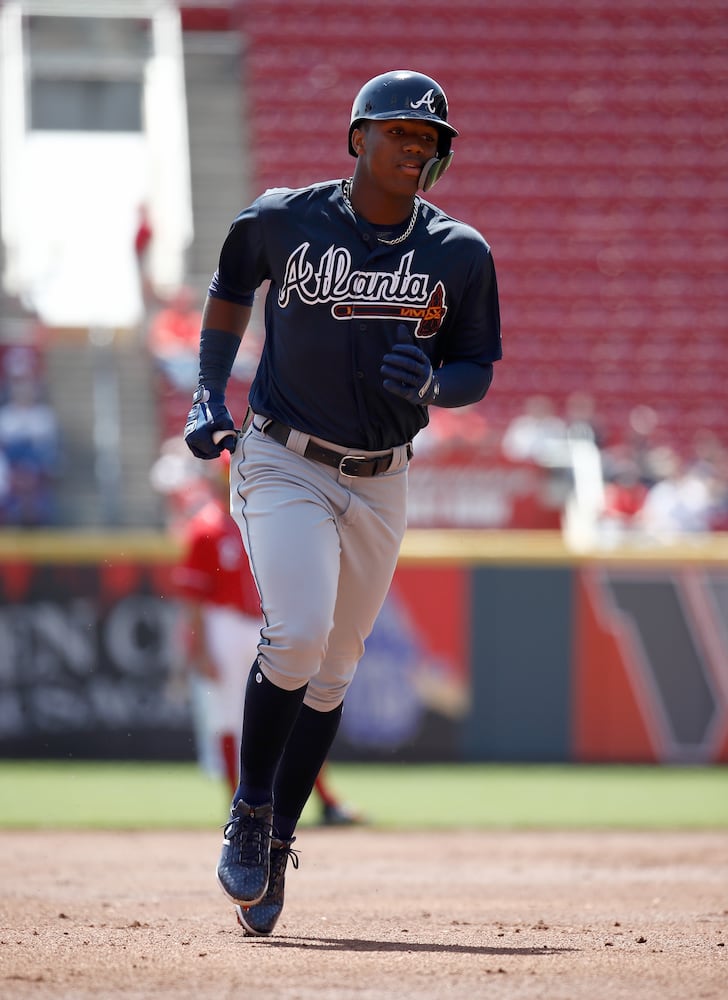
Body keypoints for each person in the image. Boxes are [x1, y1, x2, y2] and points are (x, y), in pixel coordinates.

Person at [183, 69, 502, 936]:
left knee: (336, 667)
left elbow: (478, 365)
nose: (416, 148)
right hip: (283, 457)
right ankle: (250, 811)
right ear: (358, 137)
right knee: (295, 632)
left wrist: (439, 382)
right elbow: (227, 292)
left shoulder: (459, 251)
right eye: (400, 132)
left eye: (429, 139)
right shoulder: (285, 218)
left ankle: (281, 835)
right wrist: (210, 394)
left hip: (383, 474)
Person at [172, 452, 365, 824]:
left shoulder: (265, 517)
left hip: (268, 623)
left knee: (292, 715)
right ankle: (238, 810)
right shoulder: (206, 526)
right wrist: (197, 649)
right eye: (226, 472)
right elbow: (192, 599)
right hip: (224, 626)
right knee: (229, 720)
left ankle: (325, 802)